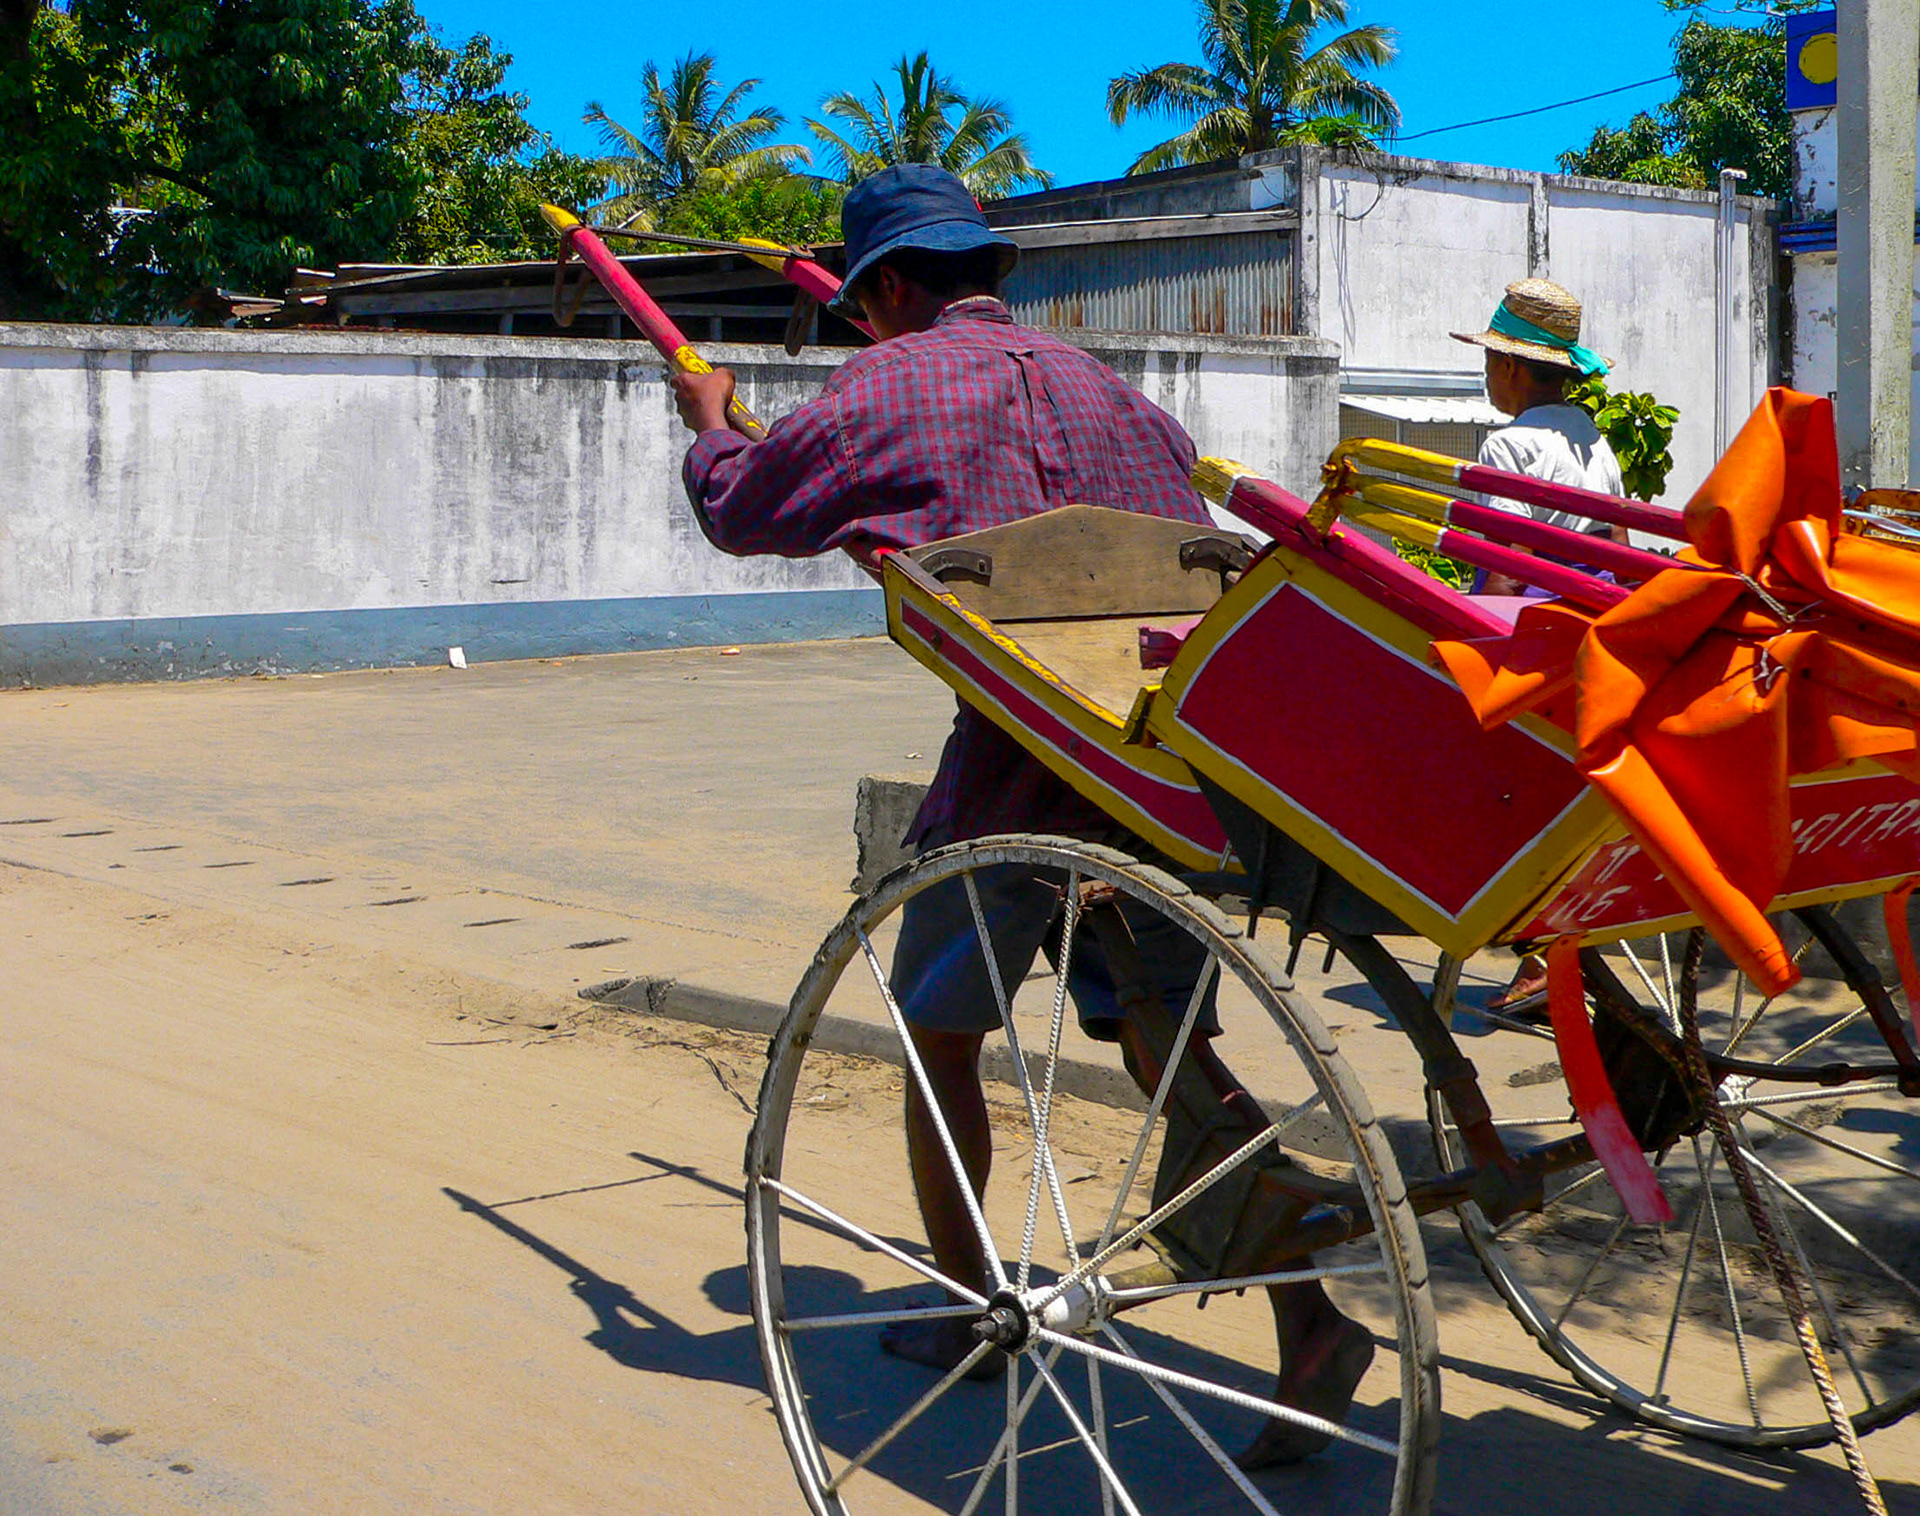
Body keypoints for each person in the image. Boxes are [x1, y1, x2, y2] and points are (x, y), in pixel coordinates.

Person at [670, 163, 1373, 1468]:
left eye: (865, 305)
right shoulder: (1117, 394)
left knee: (938, 1040)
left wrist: (712, 416)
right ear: (986, 274)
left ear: (883, 290)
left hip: (1015, 774)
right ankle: (1310, 1320)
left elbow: (741, 507)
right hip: (1158, 766)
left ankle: (963, 1309)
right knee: (1172, 1051)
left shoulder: (881, 383)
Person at [1453, 277, 1625, 1007]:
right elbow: (1616, 545)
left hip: (1530, 639)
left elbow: (1498, 564)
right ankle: (1552, 948)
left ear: (1516, 370)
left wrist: (1465, 647)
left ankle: (1529, 939)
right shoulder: (1595, 441)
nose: (1489, 375)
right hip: (1587, 635)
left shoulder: (1509, 444)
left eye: (1493, 362)